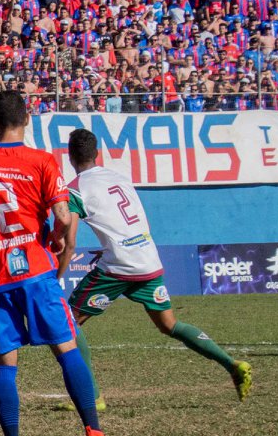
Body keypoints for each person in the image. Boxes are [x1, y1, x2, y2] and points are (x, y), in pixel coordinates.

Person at [0, 91, 119, 436]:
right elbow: (62, 212)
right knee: (67, 350)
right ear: (27, 121)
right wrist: (58, 238)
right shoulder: (43, 161)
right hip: (36, 271)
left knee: (4, 368)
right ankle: (94, 433)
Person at [63, 128, 251, 398]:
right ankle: (232, 365)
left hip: (118, 267)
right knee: (169, 324)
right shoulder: (118, 177)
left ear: (70, 157)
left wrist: (59, 265)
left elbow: (69, 240)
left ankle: (91, 397)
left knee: (69, 321)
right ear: (97, 154)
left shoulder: (75, 189)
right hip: (147, 260)